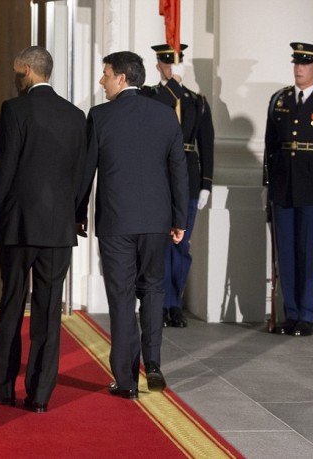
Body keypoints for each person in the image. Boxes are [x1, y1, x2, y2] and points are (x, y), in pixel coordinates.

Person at [77, 51, 188, 399]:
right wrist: (179, 219)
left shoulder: (100, 116)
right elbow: (179, 170)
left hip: (116, 222)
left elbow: (86, 171)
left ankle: (126, 381)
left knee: (122, 296)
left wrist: (78, 212)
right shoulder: (165, 114)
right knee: (153, 289)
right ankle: (153, 363)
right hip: (156, 221)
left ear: (122, 78)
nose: (102, 80)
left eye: (106, 74)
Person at [0, 46, 88, 413]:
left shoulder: (15, 109)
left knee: (12, 302)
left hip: (19, 225)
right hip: (58, 229)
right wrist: (77, 215)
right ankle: (40, 395)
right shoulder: (76, 115)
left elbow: (4, 167)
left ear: (27, 69)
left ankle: (3, 387)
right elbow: (82, 173)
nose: (14, 77)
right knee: (48, 311)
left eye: (17, 70)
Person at [141, 44, 215, 329]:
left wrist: (206, 183)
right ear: (158, 65)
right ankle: (158, 303)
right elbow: (154, 114)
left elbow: (206, 144)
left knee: (180, 246)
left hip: (189, 179)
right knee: (158, 245)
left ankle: (174, 303)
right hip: (159, 178)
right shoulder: (150, 96)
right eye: (167, 63)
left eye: (176, 63)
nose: (171, 68)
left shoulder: (197, 101)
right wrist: (174, 85)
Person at [264, 42, 313, 337]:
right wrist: (267, 184)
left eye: (305, 63)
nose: (299, 68)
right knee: (285, 253)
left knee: (308, 252)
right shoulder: (280, 99)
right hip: (283, 184)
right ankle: (292, 314)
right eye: (296, 63)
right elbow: (270, 146)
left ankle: (308, 315)